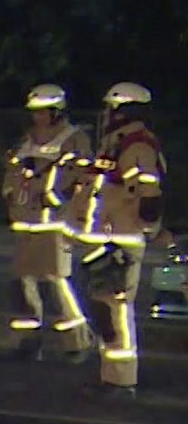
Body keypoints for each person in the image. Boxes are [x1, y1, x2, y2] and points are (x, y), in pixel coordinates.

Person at [66, 82, 166, 393]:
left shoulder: (137, 145)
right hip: (106, 235)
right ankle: (111, 374)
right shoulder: (115, 143)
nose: (106, 113)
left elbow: (149, 194)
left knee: (115, 309)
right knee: (102, 306)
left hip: (121, 238)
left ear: (122, 110)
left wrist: (146, 228)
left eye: (111, 108)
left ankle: (121, 380)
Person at [0, 83, 93, 360]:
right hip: (26, 222)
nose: (37, 117)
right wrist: (10, 195)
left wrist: (61, 202)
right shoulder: (26, 141)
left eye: (43, 112)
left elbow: (83, 175)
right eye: (34, 112)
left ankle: (77, 342)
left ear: (56, 111)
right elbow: (13, 172)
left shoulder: (73, 139)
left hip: (54, 223)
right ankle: (27, 342)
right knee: (22, 282)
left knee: (54, 282)